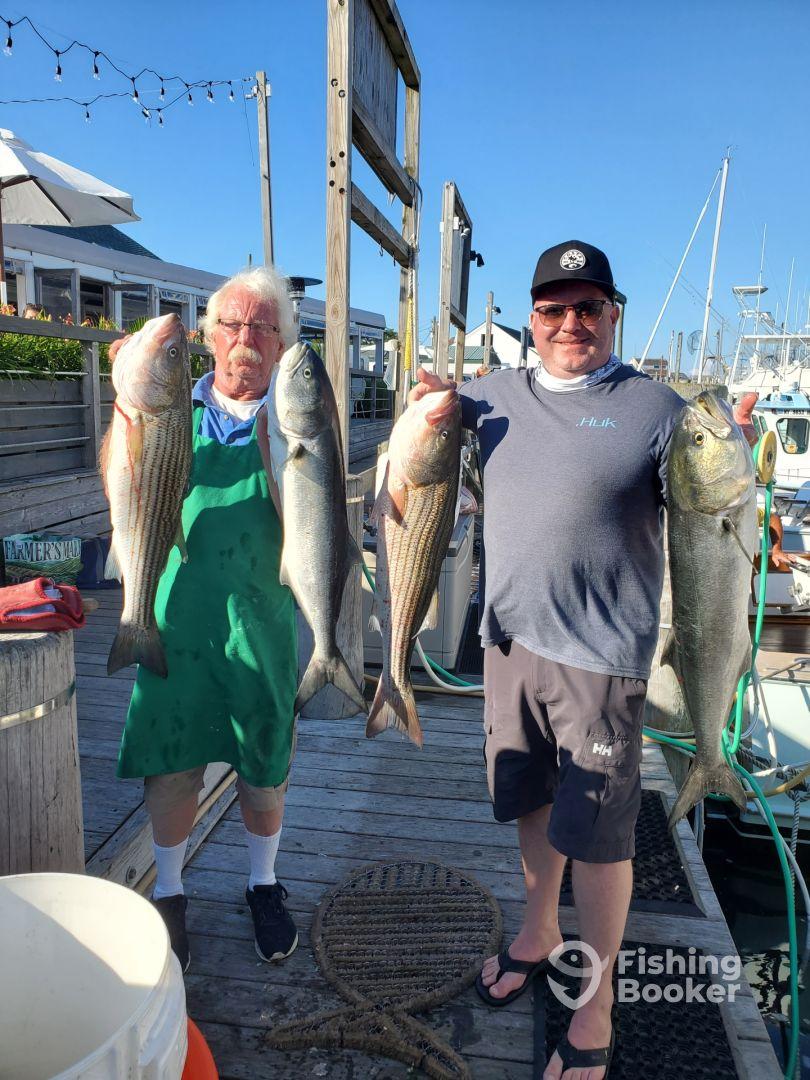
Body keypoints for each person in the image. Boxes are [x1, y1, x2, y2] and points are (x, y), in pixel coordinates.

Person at [411, 241, 685, 1080]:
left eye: (588, 308)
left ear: (613, 314)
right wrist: (425, 411)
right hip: (507, 641)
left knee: (601, 839)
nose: (571, 323)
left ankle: (595, 1008)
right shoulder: (489, 398)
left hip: (602, 660)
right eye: (553, 309)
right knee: (529, 799)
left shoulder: (656, 410)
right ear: (530, 320)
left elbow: (716, 522)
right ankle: (538, 930)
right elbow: (422, 471)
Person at [116, 266, 299, 973]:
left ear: (281, 343)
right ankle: (169, 891)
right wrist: (120, 404)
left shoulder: (296, 419)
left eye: (263, 326)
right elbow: (121, 478)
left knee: (264, 766)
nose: (247, 337)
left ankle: (262, 881)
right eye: (233, 324)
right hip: (172, 621)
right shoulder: (165, 409)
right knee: (172, 764)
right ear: (208, 338)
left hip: (263, 621)